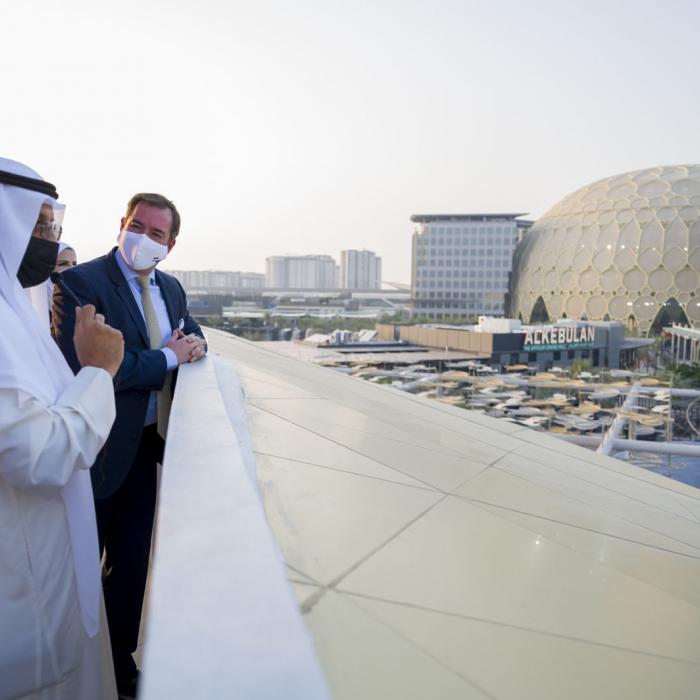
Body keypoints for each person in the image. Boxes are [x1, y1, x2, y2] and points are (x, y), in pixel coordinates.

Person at [53, 192, 206, 699]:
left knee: (131, 564)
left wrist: (195, 346)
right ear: (123, 224)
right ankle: (70, 667)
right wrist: (166, 359)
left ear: (170, 245)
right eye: (137, 225)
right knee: (79, 562)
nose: (144, 238)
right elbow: (93, 367)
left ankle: (118, 664)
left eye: (157, 234)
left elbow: (189, 333)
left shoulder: (171, 287)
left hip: (146, 444)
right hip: (94, 447)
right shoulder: (80, 284)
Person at [0, 157, 124, 699]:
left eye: (55, 226)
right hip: (22, 590)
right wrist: (98, 369)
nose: (51, 241)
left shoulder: (14, 310)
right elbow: (37, 452)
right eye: (41, 225)